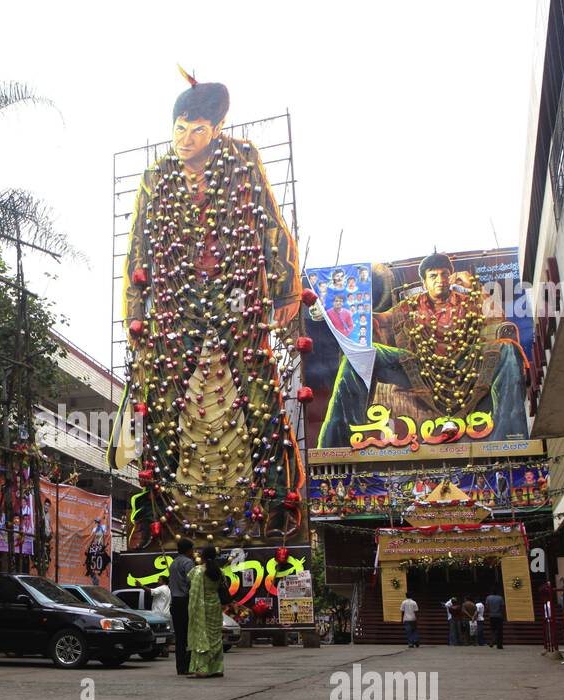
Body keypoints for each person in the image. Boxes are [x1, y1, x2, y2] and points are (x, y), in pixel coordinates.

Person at [112, 72, 303, 543]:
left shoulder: (243, 160)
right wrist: (136, 312)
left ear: (217, 129)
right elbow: (137, 249)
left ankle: (279, 502)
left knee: (259, 395)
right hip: (178, 298)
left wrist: (284, 289)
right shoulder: (156, 178)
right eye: (179, 128)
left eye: (197, 129)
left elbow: (271, 226)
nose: (185, 139)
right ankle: (150, 512)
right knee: (157, 401)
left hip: (236, 290)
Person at [317, 252, 529, 449]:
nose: (440, 280)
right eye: (433, 276)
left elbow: (496, 321)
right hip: (418, 367)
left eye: (444, 274)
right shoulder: (409, 306)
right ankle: (337, 442)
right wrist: (335, 311)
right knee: (358, 357)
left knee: (508, 349)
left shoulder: (472, 303)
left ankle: (510, 436)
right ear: (424, 281)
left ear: (451, 276)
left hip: (466, 364)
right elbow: (381, 321)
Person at [186, 544, 226, 678]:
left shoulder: (197, 571)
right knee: (215, 637)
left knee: (202, 636)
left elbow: (191, 588)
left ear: (202, 556)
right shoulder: (220, 571)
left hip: (202, 607)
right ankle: (217, 668)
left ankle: (202, 669)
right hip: (216, 605)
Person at [169, 538, 196, 675]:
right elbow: (192, 582)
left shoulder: (173, 563)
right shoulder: (188, 563)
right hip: (185, 601)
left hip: (175, 601)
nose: (193, 552)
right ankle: (188, 665)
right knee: (188, 635)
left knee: (179, 637)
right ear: (188, 550)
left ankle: (180, 667)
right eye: (192, 549)